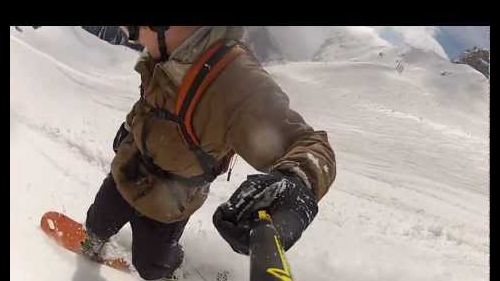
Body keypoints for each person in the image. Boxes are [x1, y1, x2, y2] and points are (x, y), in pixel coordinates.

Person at [81, 26, 336, 280]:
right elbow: (148, 103)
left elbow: (307, 142)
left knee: (151, 263)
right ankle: (93, 241)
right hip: (129, 168)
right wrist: (130, 127)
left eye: (134, 27)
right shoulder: (165, 55)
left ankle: (170, 269)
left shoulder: (235, 78)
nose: (129, 35)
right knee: (99, 218)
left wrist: (297, 179)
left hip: (171, 199)